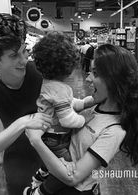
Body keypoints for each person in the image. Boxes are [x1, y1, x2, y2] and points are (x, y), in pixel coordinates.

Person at [25, 44, 138, 195]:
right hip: (56, 179)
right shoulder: (93, 108)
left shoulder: (114, 130)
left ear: (114, 79)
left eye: (95, 73)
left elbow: (73, 178)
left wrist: (36, 141)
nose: (88, 79)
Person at [0, 13, 52, 195]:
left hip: (56, 158)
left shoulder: (41, 71)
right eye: (14, 55)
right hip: (20, 165)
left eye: (24, 51)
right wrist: (23, 122)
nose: (24, 60)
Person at [24, 31, 95, 195]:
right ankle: (39, 192)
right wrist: (84, 119)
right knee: (68, 169)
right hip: (56, 138)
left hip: (47, 135)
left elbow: (67, 104)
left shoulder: (49, 84)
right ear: (69, 66)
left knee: (52, 162)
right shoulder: (60, 89)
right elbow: (68, 120)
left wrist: (85, 103)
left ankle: (40, 175)